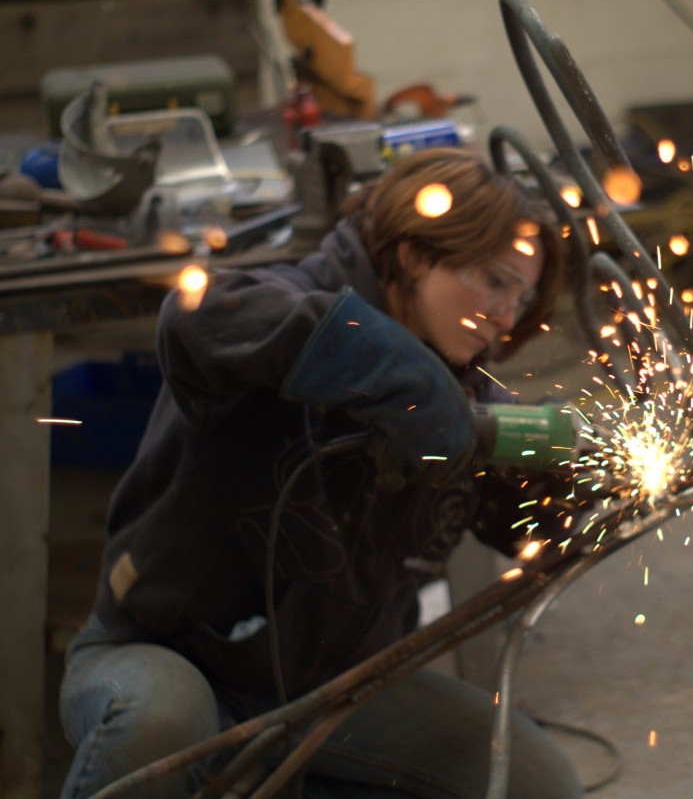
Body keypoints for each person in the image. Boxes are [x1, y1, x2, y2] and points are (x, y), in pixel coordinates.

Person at [58, 147, 585, 798]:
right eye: (494, 279)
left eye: (523, 294)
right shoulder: (288, 306)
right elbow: (197, 314)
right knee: (160, 724)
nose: (508, 314)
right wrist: (395, 371)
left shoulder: (461, 408)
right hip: (164, 651)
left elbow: (529, 532)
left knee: (536, 782)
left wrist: (567, 494)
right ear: (418, 252)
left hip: (330, 687)